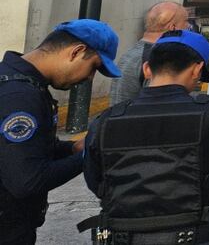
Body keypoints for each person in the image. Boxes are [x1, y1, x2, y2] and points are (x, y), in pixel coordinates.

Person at [81, 30, 209, 245]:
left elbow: (94, 180)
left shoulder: (106, 120)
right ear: (197, 69)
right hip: (194, 234)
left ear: (147, 68)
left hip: (122, 235)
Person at [0, 19, 121, 245]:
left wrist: (72, 147)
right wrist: (89, 154)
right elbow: (27, 181)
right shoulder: (19, 96)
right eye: (94, 67)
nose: (89, 78)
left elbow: (24, 150)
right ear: (76, 52)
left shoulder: (23, 83)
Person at [109, 1, 190, 105]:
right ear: (172, 28)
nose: (188, 26)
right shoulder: (159, 57)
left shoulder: (131, 53)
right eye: (186, 21)